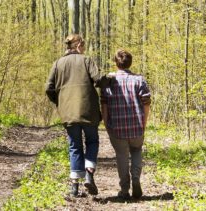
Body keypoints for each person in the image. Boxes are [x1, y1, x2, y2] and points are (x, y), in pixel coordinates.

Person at [45, 34, 110, 197]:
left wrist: (60, 102)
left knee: (74, 146)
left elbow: (48, 88)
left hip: (68, 113)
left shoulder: (57, 63)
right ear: (79, 44)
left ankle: (74, 187)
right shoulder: (86, 60)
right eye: (84, 44)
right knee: (92, 141)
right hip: (89, 111)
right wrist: (111, 78)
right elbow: (98, 79)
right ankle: (89, 173)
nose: (85, 48)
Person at [101, 49, 151, 200]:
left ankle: (124, 190)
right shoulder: (139, 80)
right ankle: (135, 178)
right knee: (136, 150)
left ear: (116, 63)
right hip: (136, 125)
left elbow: (104, 104)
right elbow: (146, 103)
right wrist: (144, 121)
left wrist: (106, 123)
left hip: (116, 126)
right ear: (130, 62)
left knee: (121, 155)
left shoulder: (109, 81)